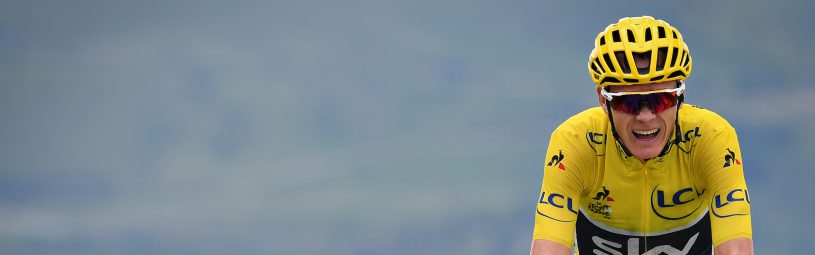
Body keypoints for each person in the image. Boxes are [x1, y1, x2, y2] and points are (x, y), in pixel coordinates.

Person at [530, 16, 753, 255]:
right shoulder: (576, 142)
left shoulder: (710, 138)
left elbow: (736, 250)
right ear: (603, 101)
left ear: (680, 97)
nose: (645, 116)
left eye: (661, 99)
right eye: (628, 102)